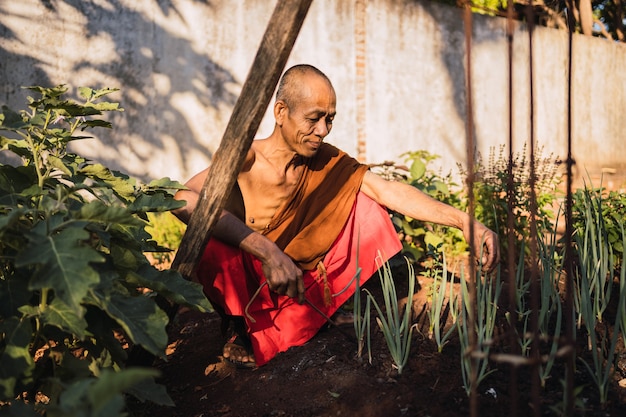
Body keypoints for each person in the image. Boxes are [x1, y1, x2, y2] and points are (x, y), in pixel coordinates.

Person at [173, 64, 499, 368]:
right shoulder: (247, 158)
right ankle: (238, 324)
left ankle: (318, 310)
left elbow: (388, 191)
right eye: (313, 119)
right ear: (281, 112)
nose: (323, 131)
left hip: (297, 280)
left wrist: (464, 222)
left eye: (329, 119)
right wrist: (265, 249)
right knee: (205, 237)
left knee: (367, 204)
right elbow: (182, 199)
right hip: (252, 275)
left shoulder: (327, 162)